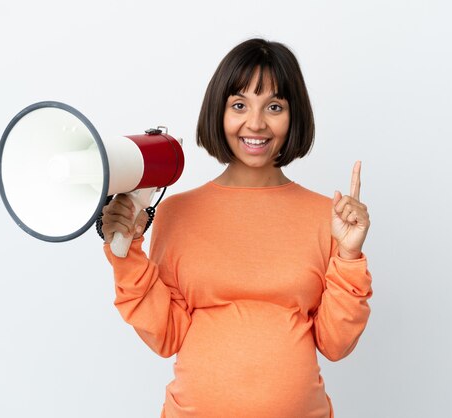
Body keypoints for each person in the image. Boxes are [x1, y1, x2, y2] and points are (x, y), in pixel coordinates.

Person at [101, 38, 372, 418]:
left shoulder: (327, 218)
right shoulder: (177, 212)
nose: (256, 123)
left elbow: (336, 344)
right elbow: (167, 336)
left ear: (295, 116)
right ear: (219, 111)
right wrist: (126, 252)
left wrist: (348, 255)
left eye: (274, 106)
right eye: (239, 105)